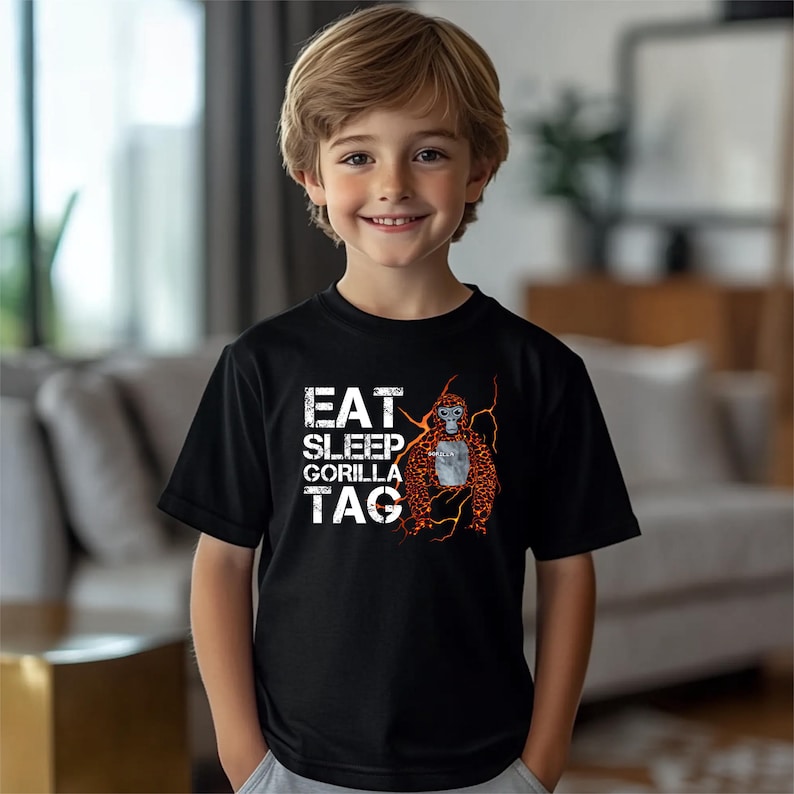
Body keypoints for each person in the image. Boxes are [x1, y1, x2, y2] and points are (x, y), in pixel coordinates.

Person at [158, 5, 641, 793]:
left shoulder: (541, 371)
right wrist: (246, 762)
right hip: (295, 766)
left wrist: (542, 763)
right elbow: (219, 567)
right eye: (356, 155)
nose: (392, 184)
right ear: (310, 172)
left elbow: (568, 570)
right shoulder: (261, 366)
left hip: (487, 767)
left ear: (478, 168)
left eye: (428, 152)